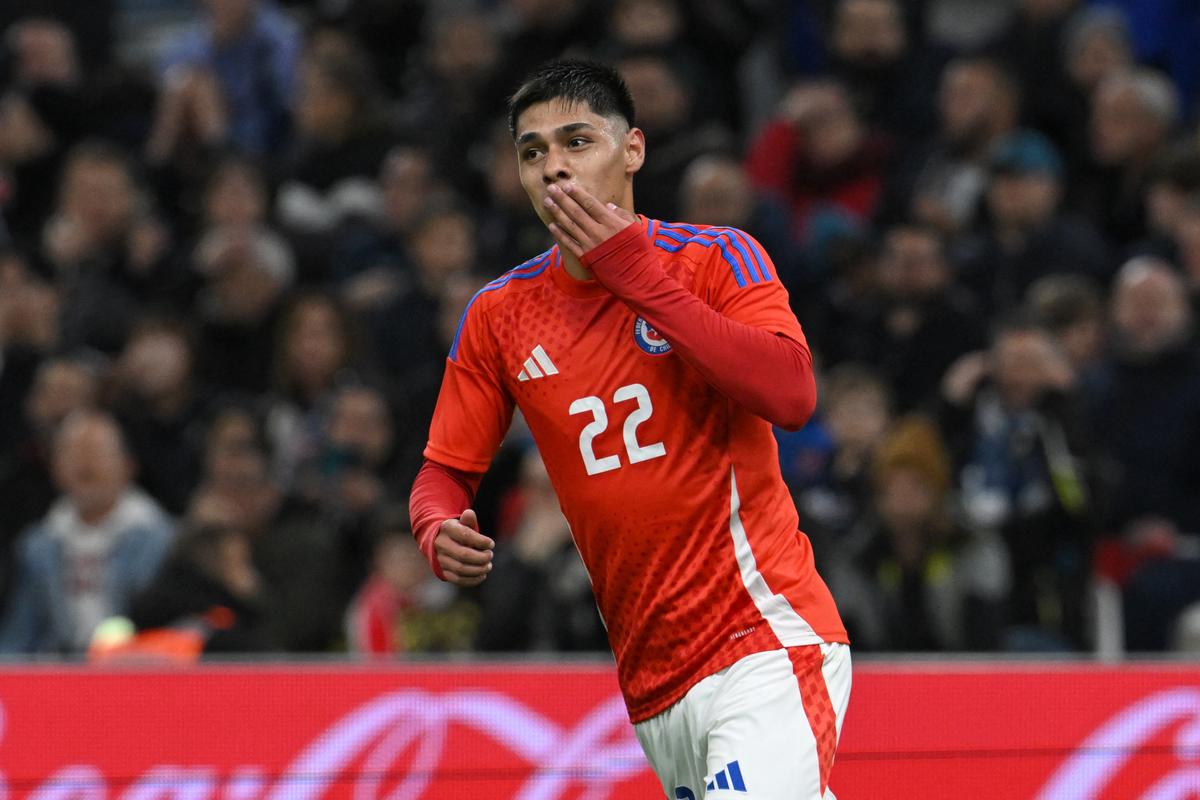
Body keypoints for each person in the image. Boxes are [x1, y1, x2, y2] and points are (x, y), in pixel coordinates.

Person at [408, 59, 849, 800]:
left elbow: (792, 393)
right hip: (654, 683)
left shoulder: (714, 257)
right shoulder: (499, 315)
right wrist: (435, 524)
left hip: (763, 639)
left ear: (633, 150)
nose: (554, 167)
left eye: (577, 141)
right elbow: (443, 471)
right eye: (533, 151)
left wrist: (635, 275)